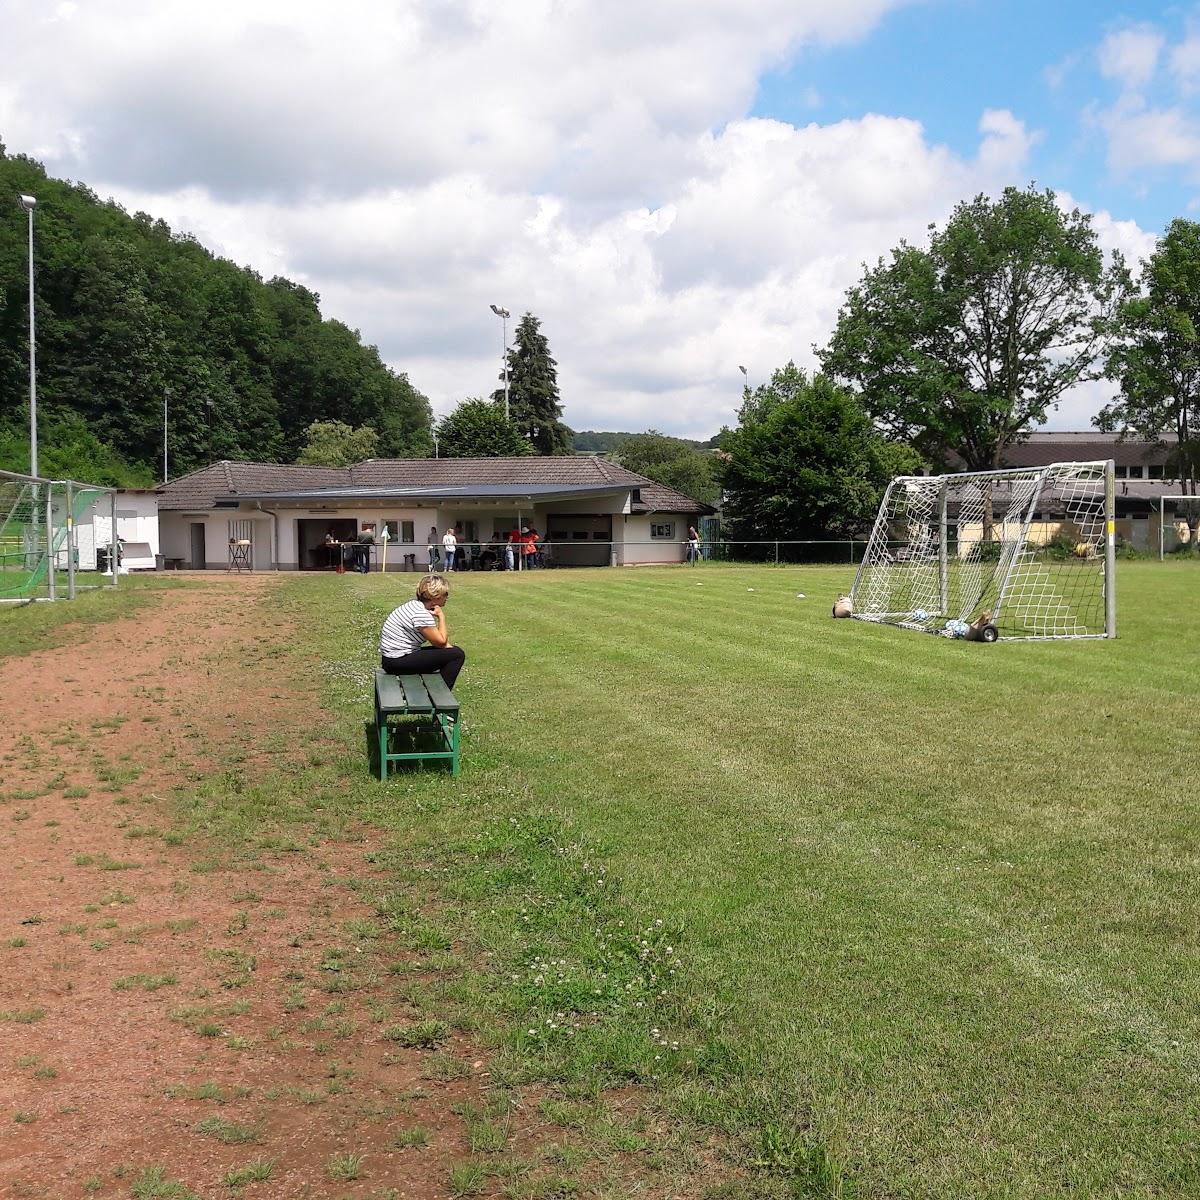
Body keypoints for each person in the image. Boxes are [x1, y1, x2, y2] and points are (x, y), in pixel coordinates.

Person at [380, 573, 465, 691]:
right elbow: (441, 643)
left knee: (453, 653)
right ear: (435, 596)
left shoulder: (414, 606)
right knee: (457, 655)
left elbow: (442, 645)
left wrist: (448, 649)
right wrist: (441, 617)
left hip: (391, 659)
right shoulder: (420, 614)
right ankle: (440, 694)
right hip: (397, 662)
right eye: (445, 594)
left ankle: (436, 692)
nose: (447, 597)